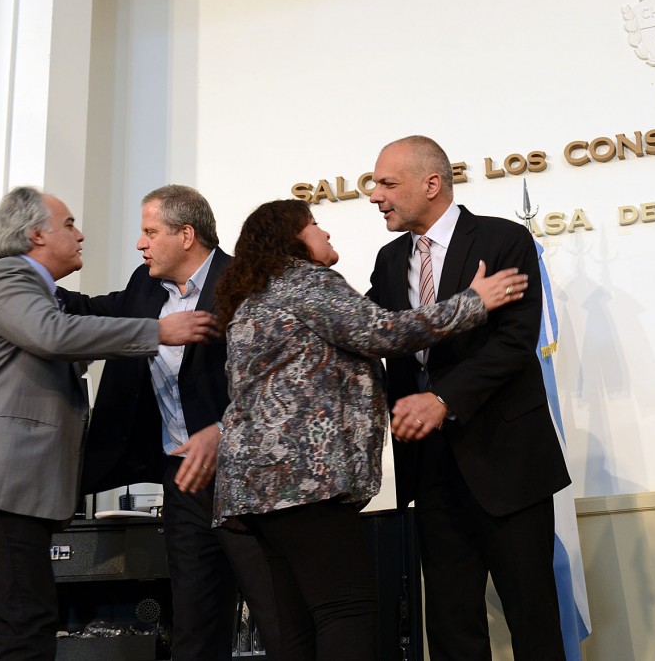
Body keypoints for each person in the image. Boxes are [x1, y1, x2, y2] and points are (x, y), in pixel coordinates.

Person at [211, 198, 527, 661]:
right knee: (346, 610)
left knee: (295, 627)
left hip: (250, 494)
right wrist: (474, 301)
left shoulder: (254, 300)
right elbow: (385, 332)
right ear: (292, 238)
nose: (325, 233)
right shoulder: (306, 282)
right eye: (315, 225)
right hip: (303, 485)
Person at [0, 186, 215, 660]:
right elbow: (55, 333)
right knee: (20, 631)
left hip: (3, 496)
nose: (80, 234)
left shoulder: (24, 291)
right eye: (68, 225)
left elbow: (72, 318)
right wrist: (158, 331)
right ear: (36, 235)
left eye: (149, 231)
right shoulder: (7, 277)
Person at [367, 135, 571, 661]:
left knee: (533, 618)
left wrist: (441, 399)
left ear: (431, 184)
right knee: (451, 626)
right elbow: (371, 334)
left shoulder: (503, 240)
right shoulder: (389, 261)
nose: (374, 195)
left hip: (507, 462)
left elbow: (514, 343)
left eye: (387, 183)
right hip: (430, 470)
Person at [56, 185, 278, 660]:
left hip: (246, 477)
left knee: (274, 610)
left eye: (150, 232)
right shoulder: (144, 285)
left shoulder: (244, 281)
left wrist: (224, 432)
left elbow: (272, 381)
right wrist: (20, 281)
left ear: (186, 235)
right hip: (181, 479)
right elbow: (93, 310)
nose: (140, 243)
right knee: (195, 617)